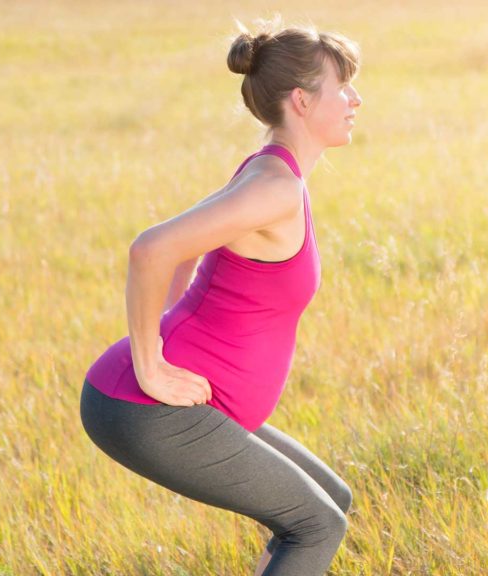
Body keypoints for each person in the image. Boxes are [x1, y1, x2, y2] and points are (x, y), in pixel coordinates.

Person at [79, 16, 363, 576]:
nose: (356, 98)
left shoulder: (272, 172)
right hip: (145, 409)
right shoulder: (273, 188)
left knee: (331, 500)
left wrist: (171, 324)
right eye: (342, 87)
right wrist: (151, 363)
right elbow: (151, 249)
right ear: (302, 102)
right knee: (317, 525)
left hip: (198, 404)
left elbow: (188, 243)